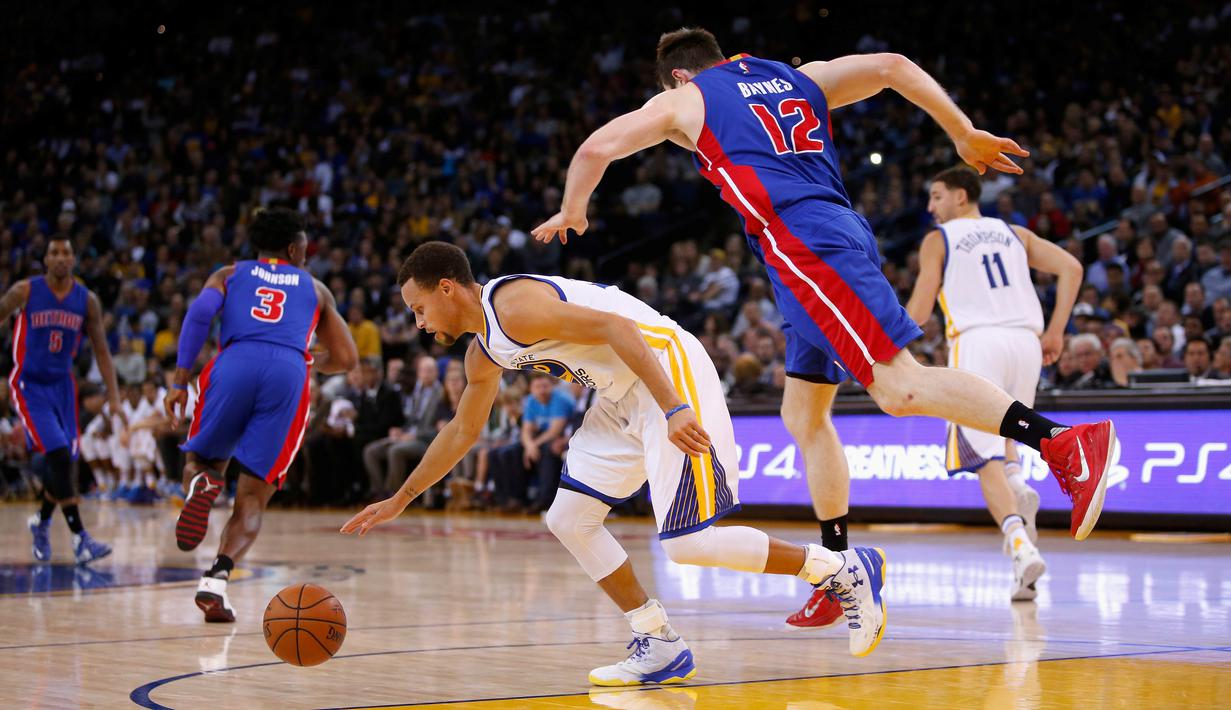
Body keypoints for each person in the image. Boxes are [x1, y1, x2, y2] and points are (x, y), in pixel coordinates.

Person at [531, 27, 1118, 628]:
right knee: (804, 415)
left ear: (677, 76)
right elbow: (892, 64)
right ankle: (840, 569)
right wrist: (962, 133)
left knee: (899, 388)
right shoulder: (799, 76)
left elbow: (594, 150)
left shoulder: (686, 97)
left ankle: (1061, 442)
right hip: (829, 228)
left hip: (802, 241)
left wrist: (575, 209)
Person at [342, 242, 888, 685]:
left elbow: (619, 330)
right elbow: (463, 430)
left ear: (446, 287)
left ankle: (841, 569)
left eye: (418, 308)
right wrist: (400, 499)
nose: (417, 322)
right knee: (567, 518)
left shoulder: (512, 305)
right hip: (618, 394)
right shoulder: (484, 350)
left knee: (686, 543)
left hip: (665, 372)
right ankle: (659, 642)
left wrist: (675, 407)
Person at [165, 207, 358, 622]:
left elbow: (199, 315)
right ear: (294, 248)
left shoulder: (230, 274)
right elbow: (346, 357)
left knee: (202, 461)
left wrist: (180, 380)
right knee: (254, 495)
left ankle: (202, 481)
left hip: (235, 361)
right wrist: (306, 359)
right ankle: (216, 580)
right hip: (288, 373)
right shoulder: (316, 288)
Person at [905, 166, 1083, 600]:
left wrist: (881, 346)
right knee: (1009, 434)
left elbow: (922, 309)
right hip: (1025, 343)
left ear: (961, 197)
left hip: (978, 342)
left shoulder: (938, 240)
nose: (931, 207)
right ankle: (1019, 488)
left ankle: (1019, 545)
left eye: (937, 196)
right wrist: (1056, 329)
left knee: (981, 458)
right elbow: (1072, 267)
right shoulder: (1015, 234)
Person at [0, 237, 126, 564]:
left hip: (63, 386)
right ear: (45, 259)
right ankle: (81, 539)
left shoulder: (87, 301)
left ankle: (41, 523)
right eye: (54, 252)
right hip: (30, 385)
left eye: (66, 252)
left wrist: (113, 399)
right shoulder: (24, 291)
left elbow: (101, 351)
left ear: (74, 259)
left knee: (66, 461)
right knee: (57, 452)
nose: (60, 258)